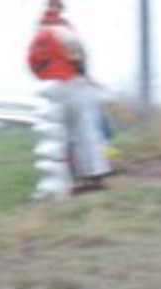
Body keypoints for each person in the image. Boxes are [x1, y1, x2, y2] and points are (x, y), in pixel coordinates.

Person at [27, 0, 111, 193]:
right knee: (86, 131)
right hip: (73, 83)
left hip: (52, 88)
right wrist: (83, 74)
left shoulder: (39, 33)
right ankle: (94, 176)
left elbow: (32, 63)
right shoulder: (64, 30)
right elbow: (79, 55)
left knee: (64, 136)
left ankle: (72, 180)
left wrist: (46, 78)